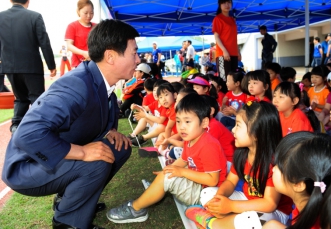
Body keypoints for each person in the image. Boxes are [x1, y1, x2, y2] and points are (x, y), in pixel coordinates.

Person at [2, 19, 138, 228]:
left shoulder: (102, 82)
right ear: (110, 56)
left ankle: (71, 199)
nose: (138, 59)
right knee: (97, 158)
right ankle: (66, 222)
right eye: (134, 53)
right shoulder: (77, 84)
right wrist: (83, 153)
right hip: (28, 166)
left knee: (119, 147)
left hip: (53, 157)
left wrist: (110, 130)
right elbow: (27, 134)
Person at [106, 94, 228, 223]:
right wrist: (169, 169)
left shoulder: (208, 145)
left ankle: (136, 210)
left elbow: (212, 180)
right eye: (179, 121)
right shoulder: (191, 139)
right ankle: (156, 188)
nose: (181, 127)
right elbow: (184, 160)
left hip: (208, 194)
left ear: (204, 122)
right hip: (199, 185)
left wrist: (180, 172)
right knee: (168, 174)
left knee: (168, 178)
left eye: (187, 121)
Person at [186, 101, 292, 228]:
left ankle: (212, 222)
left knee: (253, 220)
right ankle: (229, 221)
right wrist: (220, 197)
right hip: (246, 200)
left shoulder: (273, 163)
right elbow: (230, 182)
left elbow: (270, 204)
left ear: (257, 133)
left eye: (238, 125)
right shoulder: (242, 154)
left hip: (273, 212)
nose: (233, 130)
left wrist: (230, 205)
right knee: (207, 194)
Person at [262, 132, 331, 229]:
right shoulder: (308, 201)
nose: (273, 169)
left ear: (299, 184)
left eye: (279, 166)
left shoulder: (319, 222)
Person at [0, 0, 56, 133]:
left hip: (10, 67)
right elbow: (44, 42)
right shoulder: (34, 16)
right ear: (28, 0)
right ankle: (40, 128)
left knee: (20, 98)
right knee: (37, 98)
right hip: (32, 67)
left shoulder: (1, 17)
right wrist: (51, 65)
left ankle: (16, 126)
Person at [212, 0, 240, 81]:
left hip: (234, 53)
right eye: (224, 3)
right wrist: (224, 51)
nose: (227, 5)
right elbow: (216, 36)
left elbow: (234, 38)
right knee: (224, 80)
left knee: (234, 80)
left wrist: (238, 51)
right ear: (219, 5)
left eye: (229, 2)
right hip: (223, 54)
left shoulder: (232, 19)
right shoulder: (218, 18)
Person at [65, 0, 96, 68]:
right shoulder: (72, 26)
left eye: (91, 13)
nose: (89, 16)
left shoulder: (97, 27)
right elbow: (69, 46)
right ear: (78, 11)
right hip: (78, 65)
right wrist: (83, 53)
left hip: (95, 64)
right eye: (85, 13)